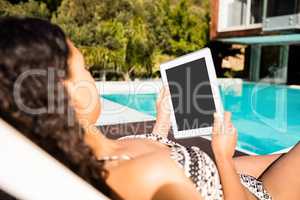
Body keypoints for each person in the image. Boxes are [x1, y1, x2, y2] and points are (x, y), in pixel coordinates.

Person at [0, 17, 299, 200]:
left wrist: (161, 124)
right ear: (68, 92)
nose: (91, 75)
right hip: (248, 191)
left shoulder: (90, 157)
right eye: (85, 67)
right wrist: (222, 156)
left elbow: (142, 156)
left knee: (285, 156)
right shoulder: (150, 176)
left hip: (224, 174)